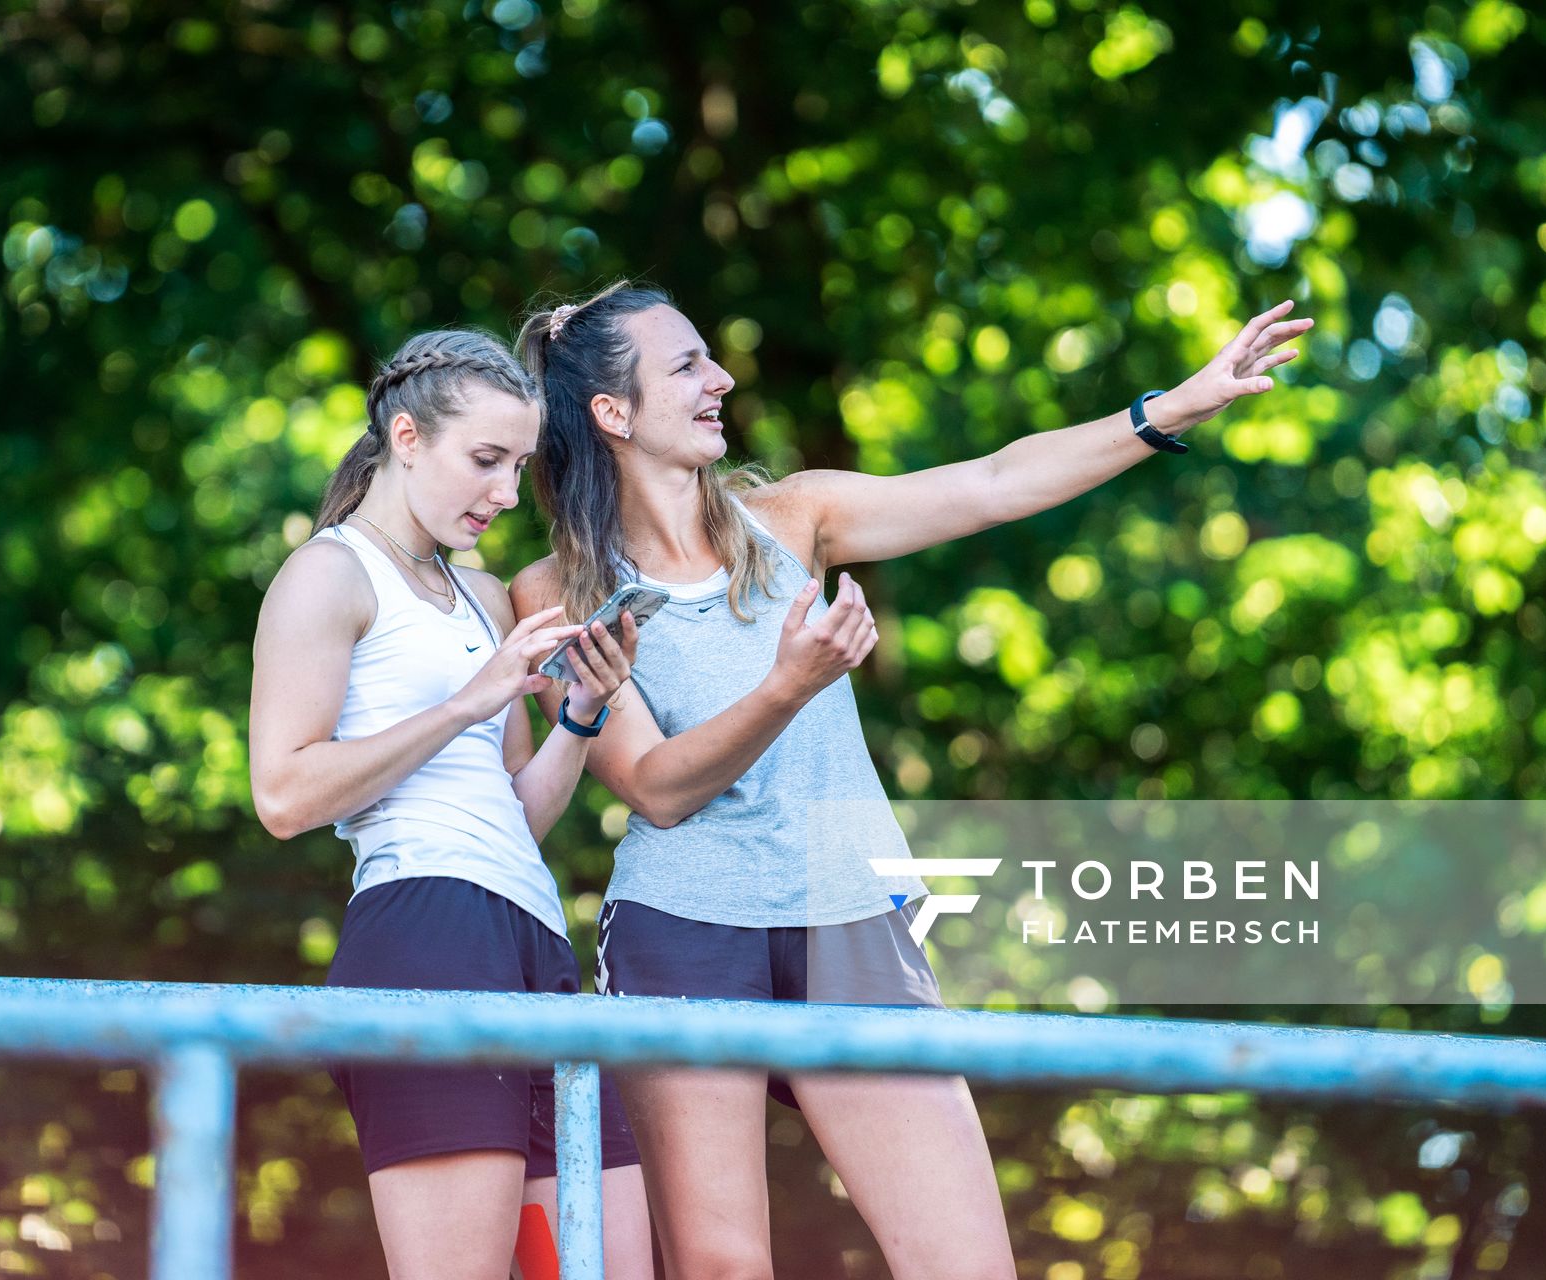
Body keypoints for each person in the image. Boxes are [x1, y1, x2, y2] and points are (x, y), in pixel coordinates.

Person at [509, 283, 1310, 1278]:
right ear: (612, 412)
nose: (719, 379)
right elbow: (657, 785)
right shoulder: (554, 591)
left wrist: (1167, 411)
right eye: (686, 367)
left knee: (965, 1262)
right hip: (683, 929)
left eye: (711, 357)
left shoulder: (796, 517)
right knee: (723, 1268)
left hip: (850, 919)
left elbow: (993, 480)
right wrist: (791, 681)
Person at [246, 329, 653, 1280]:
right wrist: (471, 701)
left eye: (517, 465)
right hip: (422, 931)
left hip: (532, 936)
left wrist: (580, 717)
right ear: (405, 436)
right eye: (485, 460)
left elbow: (514, 811)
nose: (507, 492)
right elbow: (282, 793)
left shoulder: (480, 596)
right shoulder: (329, 573)